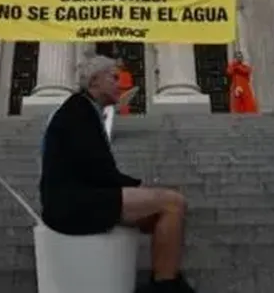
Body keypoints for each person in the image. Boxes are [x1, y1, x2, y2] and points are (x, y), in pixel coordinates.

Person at [40, 54, 194, 293]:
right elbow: (97, 169)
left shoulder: (83, 109)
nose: (120, 83)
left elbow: (96, 169)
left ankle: (165, 277)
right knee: (173, 203)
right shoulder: (77, 111)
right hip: (72, 203)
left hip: (80, 197)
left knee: (158, 213)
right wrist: (140, 187)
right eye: (113, 77)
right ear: (93, 82)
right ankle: (165, 285)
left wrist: (139, 189)